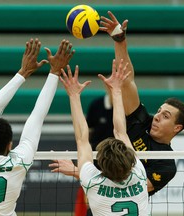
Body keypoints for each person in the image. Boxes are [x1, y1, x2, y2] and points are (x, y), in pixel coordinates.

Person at [0, 38, 75, 216]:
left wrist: (22, 73)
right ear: (10, 145)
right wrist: (54, 72)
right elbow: (36, 118)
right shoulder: (18, 162)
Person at [99, 11, 184, 196]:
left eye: (165, 116)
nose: (157, 116)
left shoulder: (166, 163)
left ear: (177, 128)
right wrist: (119, 41)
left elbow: (135, 188)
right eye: (159, 111)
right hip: (98, 199)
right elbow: (126, 80)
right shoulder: (143, 121)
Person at [58, 59, 148, 215]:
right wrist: (117, 90)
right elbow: (120, 132)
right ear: (129, 160)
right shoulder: (139, 174)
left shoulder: (92, 181)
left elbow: (82, 139)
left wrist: (74, 96)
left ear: (101, 163)